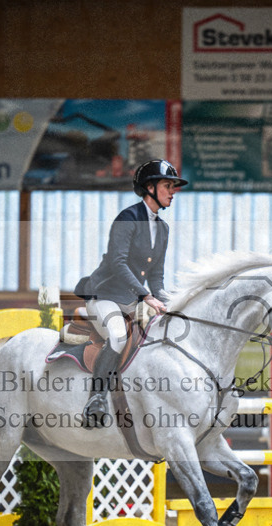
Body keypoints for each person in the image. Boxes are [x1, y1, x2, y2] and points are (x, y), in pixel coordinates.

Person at [73, 159, 187, 429]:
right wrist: (146, 296)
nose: (172, 192)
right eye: (167, 186)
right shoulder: (127, 217)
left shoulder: (163, 228)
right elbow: (118, 262)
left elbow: (156, 274)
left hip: (133, 299)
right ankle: (97, 399)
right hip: (105, 296)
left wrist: (169, 301)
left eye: (173, 186)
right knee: (118, 335)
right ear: (150, 187)